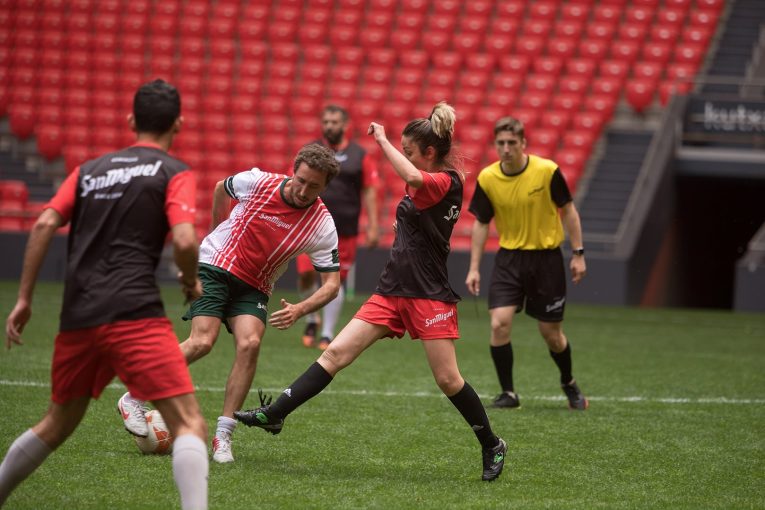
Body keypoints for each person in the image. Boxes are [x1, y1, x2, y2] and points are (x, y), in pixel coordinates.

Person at [234, 103, 508, 482]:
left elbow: (411, 175)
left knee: (448, 379)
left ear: (428, 152)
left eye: (409, 149)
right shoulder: (429, 182)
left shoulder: (446, 183)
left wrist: (380, 140)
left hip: (428, 294)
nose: (405, 156)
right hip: (391, 290)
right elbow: (412, 179)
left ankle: (492, 443)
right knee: (335, 354)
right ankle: (277, 412)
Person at [1, 80, 208, 509]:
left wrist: (24, 299)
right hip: (134, 312)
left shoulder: (89, 170)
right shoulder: (174, 172)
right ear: (179, 124)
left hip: (78, 314)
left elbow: (42, 225)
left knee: (56, 425)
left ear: (131, 121)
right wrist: (190, 281)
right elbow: (186, 240)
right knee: (189, 424)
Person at [118, 143, 343, 464]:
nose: (304, 190)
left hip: (255, 286)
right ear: (294, 170)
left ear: (325, 187)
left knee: (250, 343)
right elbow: (220, 188)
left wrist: (300, 309)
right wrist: (215, 231)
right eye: (301, 179)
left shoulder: (321, 224)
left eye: (314, 186)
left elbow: (332, 285)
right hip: (216, 266)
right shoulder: (259, 182)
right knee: (203, 341)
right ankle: (134, 397)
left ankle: (223, 435)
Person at [464, 116, 589, 411]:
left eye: (511, 143)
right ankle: (508, 393)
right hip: (509, 258)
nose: (506, 149)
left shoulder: (547, 171)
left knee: (551, 334)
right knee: (499, 323)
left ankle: (568, 382)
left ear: (523, 144)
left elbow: (569, 211)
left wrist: (578, 253)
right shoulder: (488, 178)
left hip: (546, 259)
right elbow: (482, 224)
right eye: (501, 143)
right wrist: (473, 267)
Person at [296, 104, 380, 351]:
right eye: (326, 122)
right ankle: (312, 319)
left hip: (345, 229)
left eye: (334, 122)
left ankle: (326, 333)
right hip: (309, 225)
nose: (329, 126)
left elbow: (371, 190)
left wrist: (373, 226)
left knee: (334, 282)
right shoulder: (311, 152)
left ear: (345, 125)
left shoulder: (359, 155)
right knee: (305, 275)